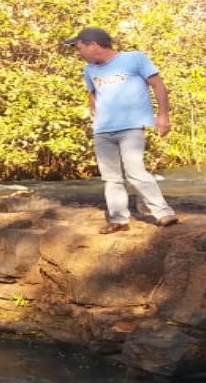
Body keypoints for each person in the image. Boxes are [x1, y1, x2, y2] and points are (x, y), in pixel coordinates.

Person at [63, 27, 178, 234]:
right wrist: (94, 115)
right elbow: (93, 94)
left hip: (131, 127)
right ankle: (118, 219)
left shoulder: (135, 59)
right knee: (111, 177)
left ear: (93, 45)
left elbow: (158, 85)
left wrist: (163, 116)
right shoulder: (89, 70)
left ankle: (163, 213)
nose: (77, 54)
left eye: (79, 48)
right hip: (103, 130)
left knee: (135, 171)